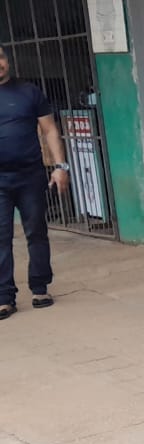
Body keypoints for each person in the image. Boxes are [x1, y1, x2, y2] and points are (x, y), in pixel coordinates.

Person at [0, 45, 69, 321]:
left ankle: (40, 288)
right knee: (1, 237)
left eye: (0, 57)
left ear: (7, 60)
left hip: (30, 176)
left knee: (36, 231)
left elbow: (50, 129)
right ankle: (4, 297)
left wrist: (60, 167)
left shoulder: (29, 92)